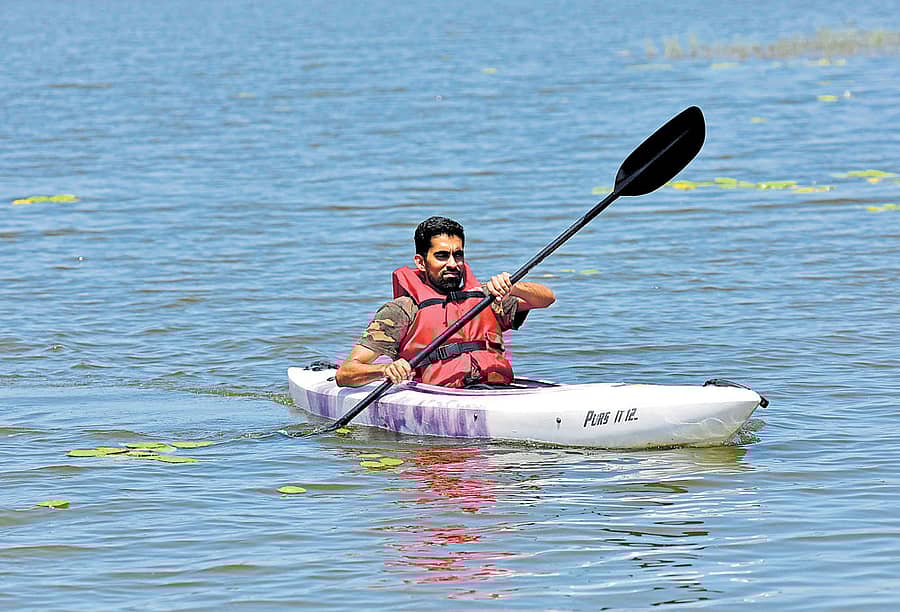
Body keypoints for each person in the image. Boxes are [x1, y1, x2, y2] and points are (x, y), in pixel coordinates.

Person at [336, 216, 555, 388]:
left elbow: (546, 299)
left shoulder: (487, 297)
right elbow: (346, 373)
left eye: (458, 255)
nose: (452, 263)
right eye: (442, 256)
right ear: (421, 262)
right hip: (440, 396)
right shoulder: (402, 309)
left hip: (495, 389)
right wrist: (385, 370)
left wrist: (513, 285)